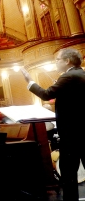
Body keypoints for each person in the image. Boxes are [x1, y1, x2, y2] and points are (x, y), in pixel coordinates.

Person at [21, 48, 85, 201]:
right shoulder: (80, 74)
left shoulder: (69, 76)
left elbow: (46, 94)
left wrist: (29, 81)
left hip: (72, 134)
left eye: (57, 59)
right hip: (81, 131)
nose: (56, 62)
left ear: (67, 61)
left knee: (68, 173)